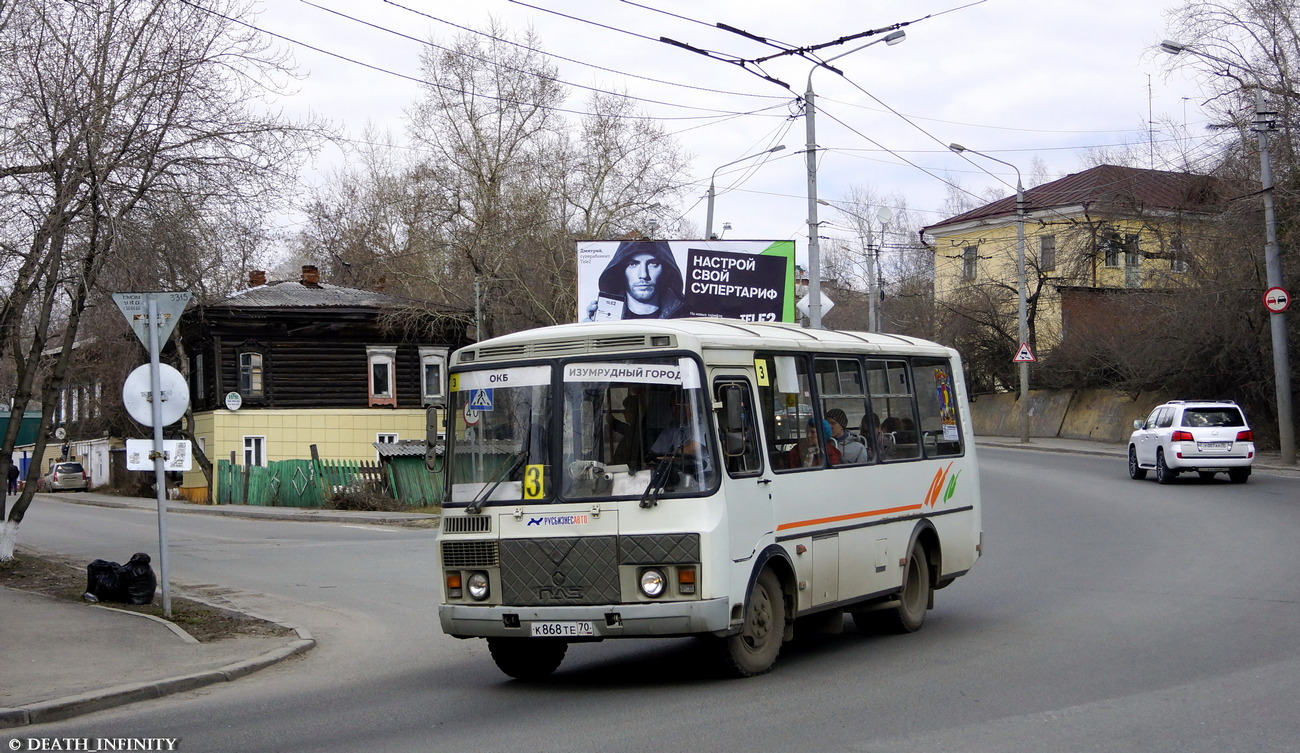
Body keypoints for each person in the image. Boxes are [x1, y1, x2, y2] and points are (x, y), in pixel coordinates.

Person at [586, 240, 685, 320]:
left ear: (666, 269)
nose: (643, 274)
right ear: (621, 270)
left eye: (653, 264)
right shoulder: (606, 318)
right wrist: (590, 333)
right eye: (632, 264)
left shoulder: (686, 316)